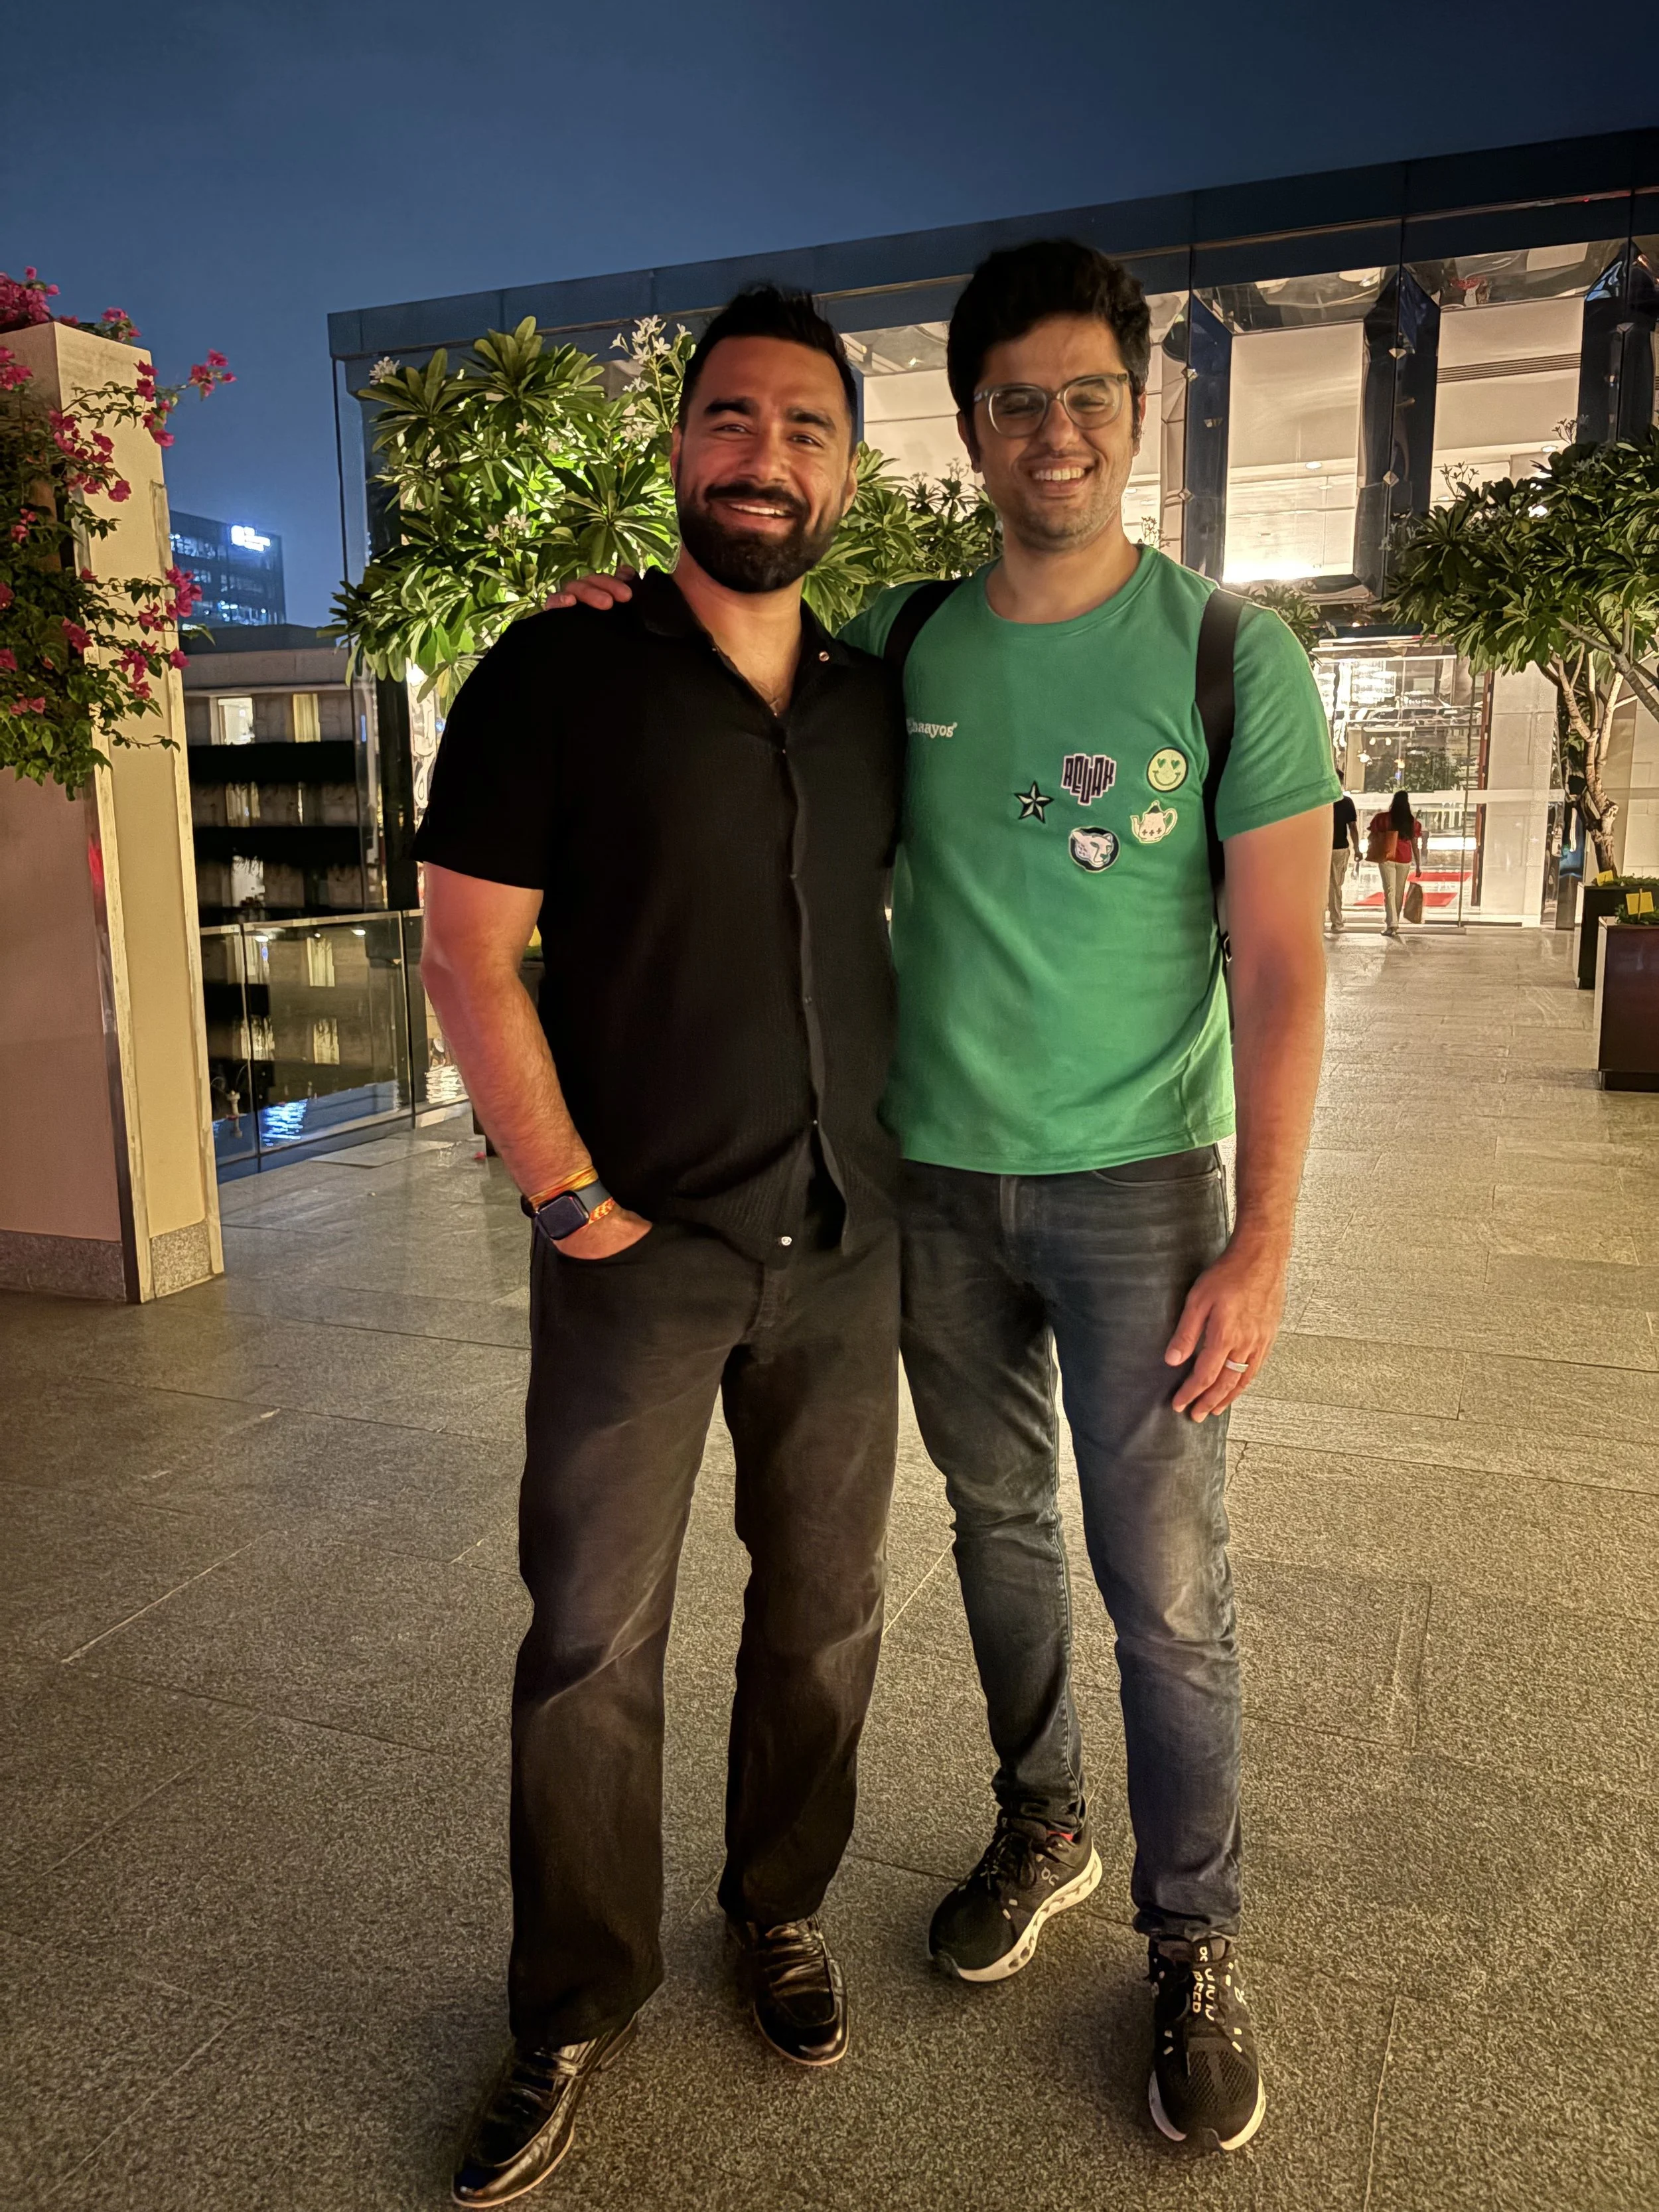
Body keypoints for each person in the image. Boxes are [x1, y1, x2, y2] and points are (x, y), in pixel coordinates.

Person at [550, 241, 1336, 2158]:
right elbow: (724, 666)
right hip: (923, 1190)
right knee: (994, 1526)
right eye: (1014, 400)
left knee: (1166, 1586)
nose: (1052, 430)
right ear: (967, 428)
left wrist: (1263, 1231)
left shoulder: (1232, 655)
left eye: (1086, 394)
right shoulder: (897, 641)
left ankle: (1193, 1931)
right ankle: (1039, 1816)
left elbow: (1287, 963)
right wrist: (606, 611)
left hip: (1140, 1186)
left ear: (1134, 411)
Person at [415, 285, 906, 2209]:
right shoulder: (555, 674)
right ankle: (569, 1995)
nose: (761, 453)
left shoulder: (879, 702)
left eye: (801, 426)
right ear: (678, 447)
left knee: (827, 1612)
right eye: (729, 419)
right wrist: (566, 1199)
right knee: (587, 1642)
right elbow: (469, 952)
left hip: (847, 1240)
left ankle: (774, 1908)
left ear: (847, 469)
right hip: (639, 1252)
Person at [1366, 789, 1425, 935]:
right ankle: (1394, 924)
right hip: (1405, 859)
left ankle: (1392, 925)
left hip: (1387, 857)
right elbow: (1415, 845)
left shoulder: (1382, 819)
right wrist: (1418, 865)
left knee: (1390, 892)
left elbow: (1372, 835)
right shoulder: (1412, 822)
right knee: (1399, 893)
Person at [1329, 789, 1358, 929]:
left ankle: (1317, 921)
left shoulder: (1319, 801)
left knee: (1318, 885)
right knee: (1335, 885)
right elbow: (1352, 827)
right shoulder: (1346, 802)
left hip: (1321, 848)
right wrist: (1357, 849)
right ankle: (1336, 921)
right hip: (1340, 849)